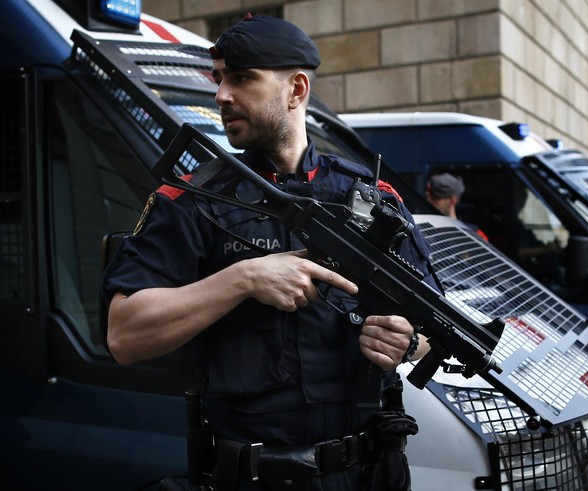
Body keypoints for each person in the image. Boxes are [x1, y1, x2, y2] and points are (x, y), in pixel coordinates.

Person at [102, 14, 435, 491]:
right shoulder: (194, 200)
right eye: (219, 79)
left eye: (241, 79)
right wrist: (240, 279)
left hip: (369, 472)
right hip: (254, 477)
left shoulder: (373, 198)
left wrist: (404, 340)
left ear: (296, 90)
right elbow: (125, 335)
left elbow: (429, 322)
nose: (220, 95)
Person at [425, 172, 488, 240]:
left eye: (436, 197)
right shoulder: (422, 232)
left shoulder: (475, 235)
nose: (429, 201)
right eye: (428, 197)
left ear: (453, 200)